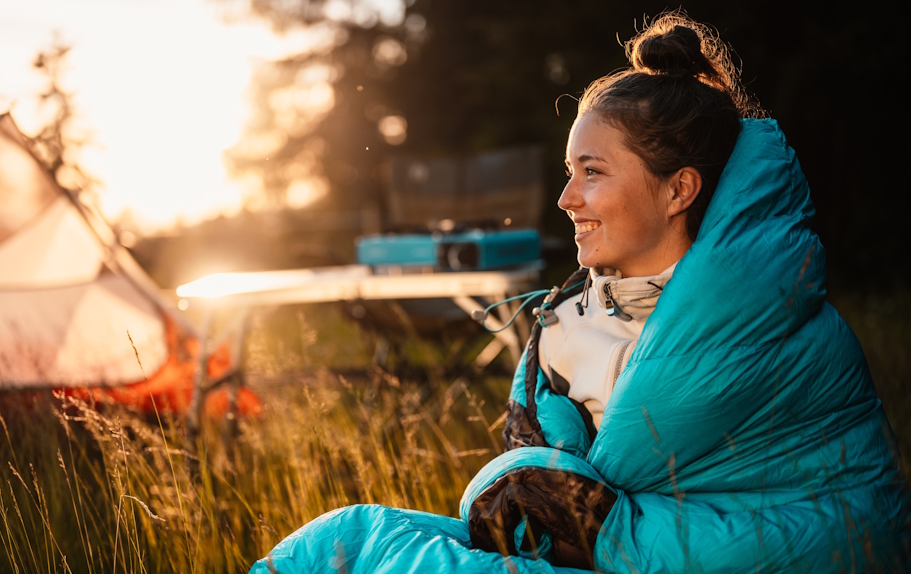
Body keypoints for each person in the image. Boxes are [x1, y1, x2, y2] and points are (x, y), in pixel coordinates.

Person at [251, 12, 910, 573]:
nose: (567, 199)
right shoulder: (566, 324)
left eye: (592, 173)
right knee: (337, 542)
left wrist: (592, 525)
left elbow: (835, 525)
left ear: (679, 189)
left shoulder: (775, 323)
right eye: (570, 173)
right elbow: (537, 484)